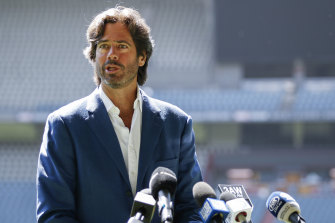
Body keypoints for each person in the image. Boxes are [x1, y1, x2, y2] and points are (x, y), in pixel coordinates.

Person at [36, 6, 203, 223]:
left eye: (122, 46)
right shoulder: (64, 126)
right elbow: (53, 216)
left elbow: (190, 210)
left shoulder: (176, 123)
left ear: (142, 57)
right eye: (103, 46)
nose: (111, 54)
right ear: (94, 56)